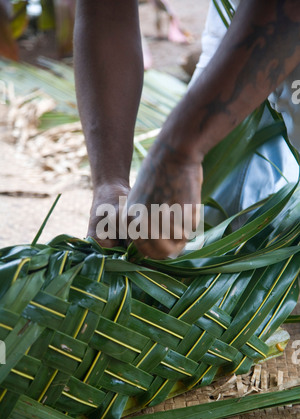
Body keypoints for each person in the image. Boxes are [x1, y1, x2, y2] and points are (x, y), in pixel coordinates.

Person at [73, 0, 300, 260]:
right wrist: (110, 182)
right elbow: (106, 10)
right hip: (237, 17)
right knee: (209, 236)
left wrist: (178, 151)